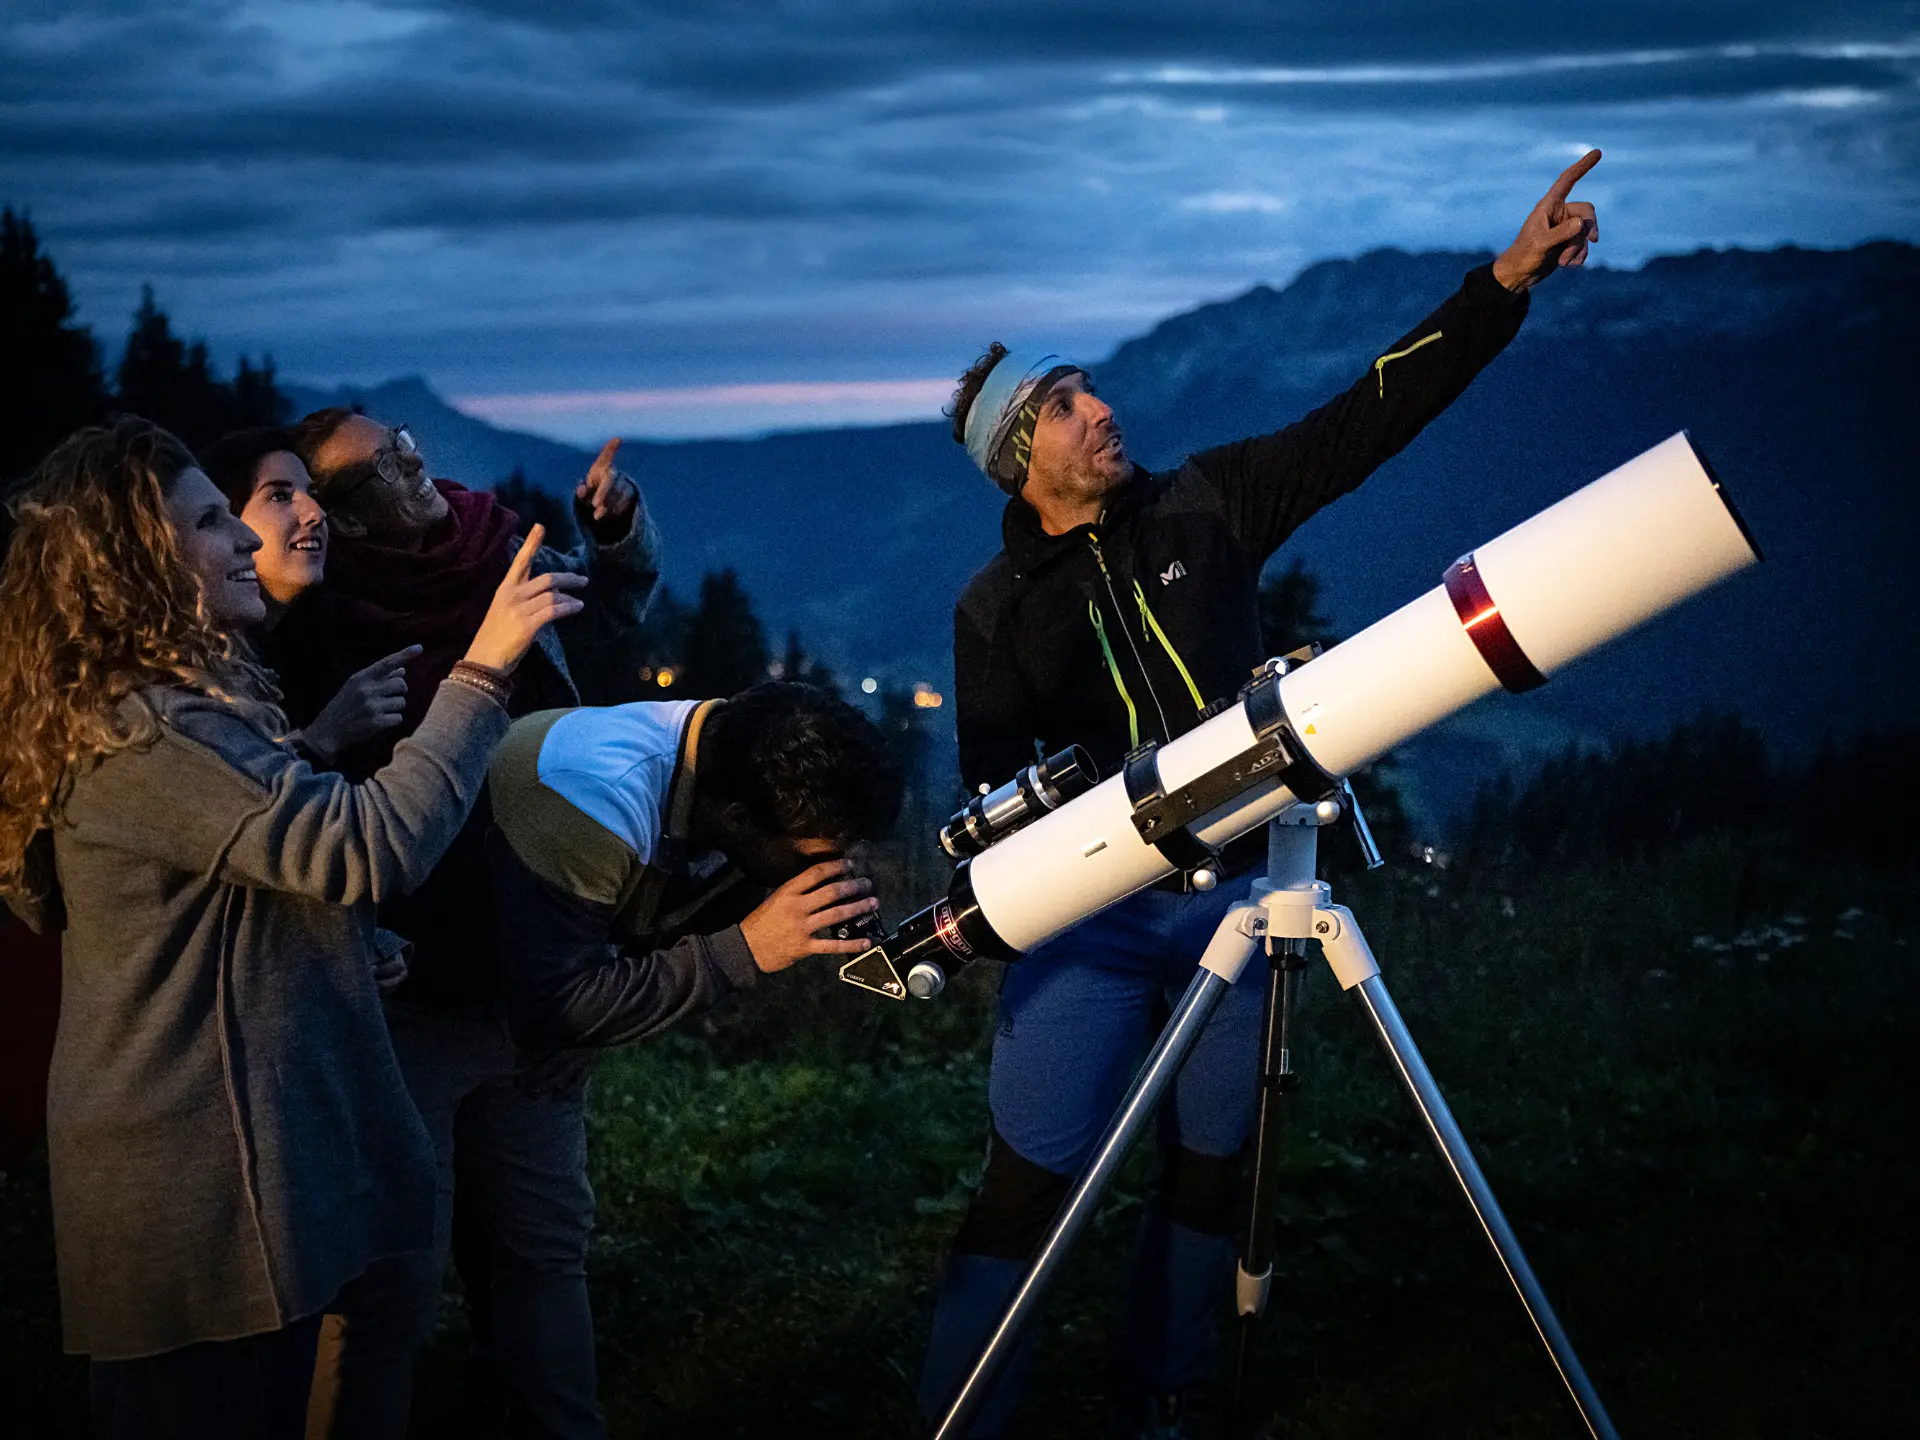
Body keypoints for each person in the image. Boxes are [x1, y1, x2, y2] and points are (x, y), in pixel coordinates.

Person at [920, 152, 1605, 1434]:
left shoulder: (1209, 502)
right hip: (1092, 923)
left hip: (1238, 894)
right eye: (1068, 407)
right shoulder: (994, 610)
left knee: (1214, 1163)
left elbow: (1366, 420)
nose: (1102, 411)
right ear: (1022, 454)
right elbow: (993, 787)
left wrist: (1501, 286)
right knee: (1027, 1179)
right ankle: (963, 1404)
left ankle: (1164, 1395)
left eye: (1090, 392)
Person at [0, 417, 582, 1439]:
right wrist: (483, 669)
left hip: (230, 1185)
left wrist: (350, 943)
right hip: (189, 1202)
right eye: (214, 519)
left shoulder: (188, 708)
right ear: (136, 558)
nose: (241, 541)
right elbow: (365, 848)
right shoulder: (151, 730)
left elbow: (215, 896)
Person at [324, 680, 898, 1437]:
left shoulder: (738, 765)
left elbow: (603, 957)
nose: (828, 866)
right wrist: (743, 951)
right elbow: (554, 999)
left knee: (547, 1242)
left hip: (530, 1005)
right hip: (414, 1002)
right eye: (812, 854)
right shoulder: (596, 791)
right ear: (733, 817)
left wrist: (585, 1025)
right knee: (397, 1274)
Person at [273, 411, 663, 1437]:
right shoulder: (312, 626)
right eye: (384, 473)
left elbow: (609, 610)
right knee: (386, 1279)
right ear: (343, 521)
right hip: (395, 999)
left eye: (407, 445)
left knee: (544, 1246)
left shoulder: (500, 545)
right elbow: (281, 817)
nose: (417, 468)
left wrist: (615, 533)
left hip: (528, 977)